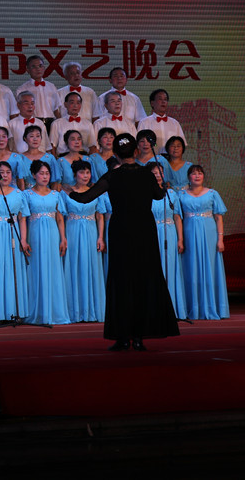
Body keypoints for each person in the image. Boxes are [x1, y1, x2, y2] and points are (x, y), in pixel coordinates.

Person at [68, 134, 180, 350]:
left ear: (116, 155)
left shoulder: (112, 176)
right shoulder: (146, 174)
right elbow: (159, 196)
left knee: (122, 281)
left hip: (121, 231)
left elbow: (85, 198)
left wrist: (69, 193)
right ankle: (139, 337)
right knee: (143, 279)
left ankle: (122, 337)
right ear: (136, 152)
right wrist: (162, 185)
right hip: (144, 231)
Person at [22, 160, 71, 325]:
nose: (45, 177)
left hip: (52, 233)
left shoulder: (56, 195)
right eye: (41, 173)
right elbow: (23, 219)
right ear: (34, 175)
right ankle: (37, 311)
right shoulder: (26, 195)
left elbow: (60, 218)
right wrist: (24, 239)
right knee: (36, 268)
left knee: (52, 267)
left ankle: (54, 311)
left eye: (47, 174)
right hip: (34, 234)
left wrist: (63, 238)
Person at [179, 165, 229, 320]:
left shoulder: (213, 193)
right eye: (193, 173)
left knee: (210, 267)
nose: (197, 176)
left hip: (209, 234)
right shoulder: (181, 195)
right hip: (189, 233)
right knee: (191, 268)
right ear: (188, 177)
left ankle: (213, 306)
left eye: (200, 173)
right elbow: (177, 218)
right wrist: (180, 239)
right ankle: (192, 307)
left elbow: (219, 217)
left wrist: (220, 239)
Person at [61, 161, 108, 323]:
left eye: (88, 172)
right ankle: (74, 311)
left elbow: (100, 216)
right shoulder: (66, 193)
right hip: (72, 231)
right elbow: (61, 217)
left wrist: (100, 237)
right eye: (82, 172)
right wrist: (63, 237)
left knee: (91, 266)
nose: (85, 176)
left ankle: (92, 310)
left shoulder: (95, 192)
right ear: (75, 175)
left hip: (91, 232)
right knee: (74, 266)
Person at [0, 162, 31, 321]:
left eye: (8, 172)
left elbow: (22, 218)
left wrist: (23, 239)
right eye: (1, 172)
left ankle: (15, 310)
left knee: (13, 268)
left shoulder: (19, 194)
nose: (5, 175)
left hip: (13, 231)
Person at [148, 162, 187, 320]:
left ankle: (171, 308)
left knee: (169, 268)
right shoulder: (145, 193)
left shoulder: (171, 194)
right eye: (154, 173)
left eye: (160, 172)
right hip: (151, 232)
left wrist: (180, 239)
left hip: (169, 232)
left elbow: (177, 217)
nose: (158, 175)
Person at [16, 55, 62, 123]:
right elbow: (19, 111)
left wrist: (60, 123)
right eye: (34, 66)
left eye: (40, 66)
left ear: (44, 68)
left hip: (51, 122)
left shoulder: (51, 86)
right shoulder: (22, 89)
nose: (38, 69)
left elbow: (56, 109)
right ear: (28, 70)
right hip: (33, 123)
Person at [16, 125, 59, 191]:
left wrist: (51, 195)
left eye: (38, 136)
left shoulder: (49, 158)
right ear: (25, 138)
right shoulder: (20, 158)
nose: (35, 139)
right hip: (27, 193)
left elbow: (55, 182)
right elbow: (19, 182)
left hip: (46, 193)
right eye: (31, 136)